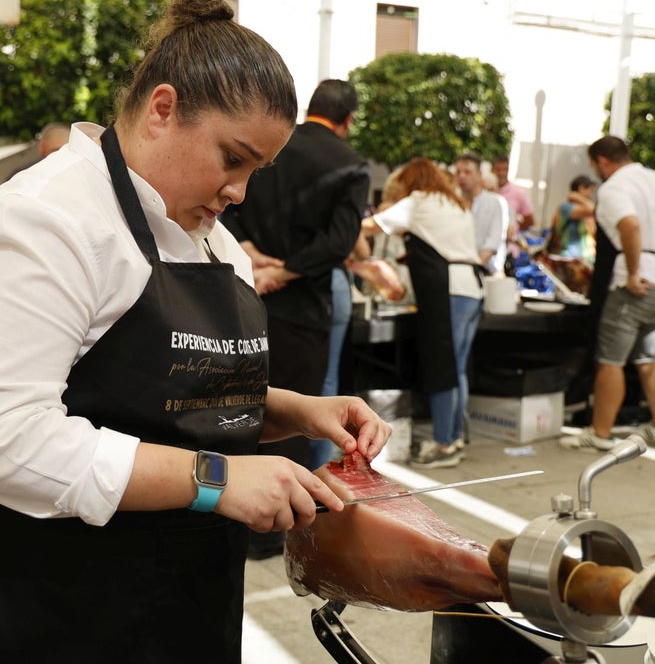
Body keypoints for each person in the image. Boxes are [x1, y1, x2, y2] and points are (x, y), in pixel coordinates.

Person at [0, 0, 391, 664]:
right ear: (163, 108)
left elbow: (182, 400)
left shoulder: (215, 241)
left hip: (176, 586)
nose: (239, 192)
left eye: (258, 171)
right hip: (41, 590)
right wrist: (218, 478)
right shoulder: (46, 220)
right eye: (233, 159)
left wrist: (299, 411)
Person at [218, 78, 370, 544]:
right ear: (347, 121)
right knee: (303, 408)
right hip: (303, 305)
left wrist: (251, 258)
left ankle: (240, 514)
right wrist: (284, 273)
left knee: (241, 402)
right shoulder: (350, 165)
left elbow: (231, 200)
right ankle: (277, 528)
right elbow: (339, 243)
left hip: (242, 293)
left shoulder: (272, 147)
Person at [560, 136, 655, 453]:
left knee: (610, 361)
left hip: (636, 283)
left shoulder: (615, 188)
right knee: (651, 358)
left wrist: (634, 272)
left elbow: (630, 226)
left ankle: (601, 432)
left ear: (602, 161)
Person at [361, 157, 484, 468]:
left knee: (443, 366)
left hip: (448, 290)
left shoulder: (417, 201)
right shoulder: (454, 202)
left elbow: (371, 226)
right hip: (471, 288)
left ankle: (443, 444)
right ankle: (455, 436)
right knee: (456, 368)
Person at [454, 151, 508, 275]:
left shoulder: (494, 203)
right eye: (458, 172)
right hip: (455, 270)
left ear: (479, 174)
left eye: (467, 172)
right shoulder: (450, 203)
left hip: (485, 271)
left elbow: (493, 241)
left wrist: (474, 266)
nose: (462, 176)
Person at [544, 174, 597, 262]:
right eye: (590, 190)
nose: (591, 195)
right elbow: (594, 210)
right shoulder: (566, 208)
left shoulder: (586, 210)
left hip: (585, 260)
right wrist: (577, 197)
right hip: (568, 258)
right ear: (581, 188)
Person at [492, 154, 534, 261]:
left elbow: (530, 219)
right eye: (498, 170)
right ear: (492, 170)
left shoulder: (518, 193)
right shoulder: (487, 191)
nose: (501, 173)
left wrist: (515, 226)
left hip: (508, 250)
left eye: (505, 169)